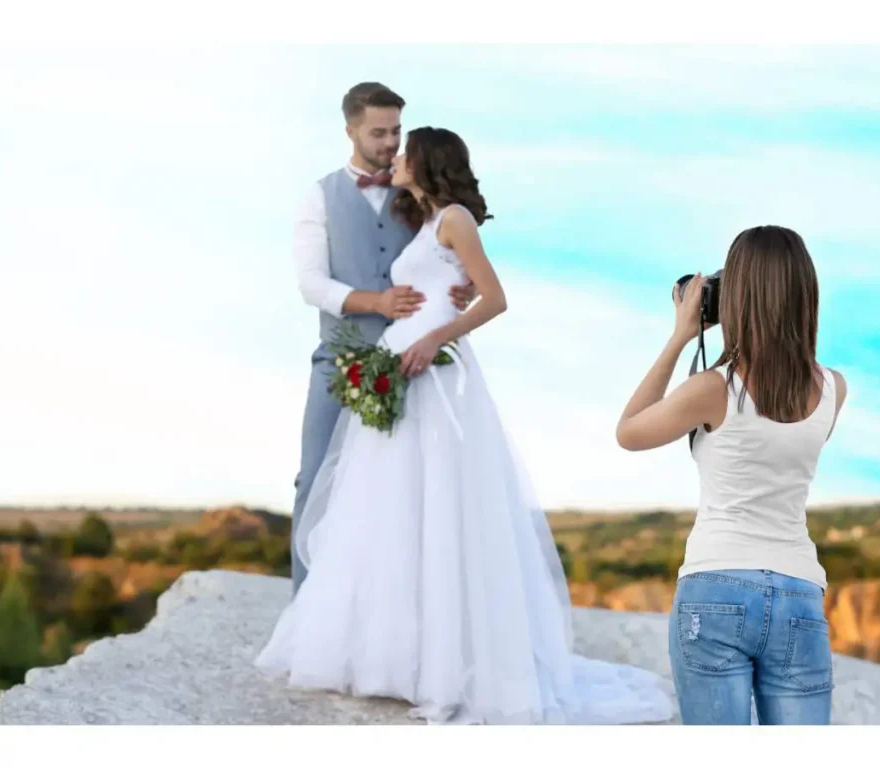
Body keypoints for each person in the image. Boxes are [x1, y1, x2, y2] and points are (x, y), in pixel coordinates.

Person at [256, 126, 673, 726]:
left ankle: (443, 664)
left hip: (437, 374)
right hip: (401, 372)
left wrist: (433, 336)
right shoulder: (426, 219)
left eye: (406, 151)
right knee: (390, 512)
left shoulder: (453, 218)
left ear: (425, 161)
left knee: (440, 507)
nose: (396, 157)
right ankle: (391, 656)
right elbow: (458, 281)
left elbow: (496, 297)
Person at [616, 225, 848, 725]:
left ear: (736, 298)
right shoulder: (833, 390)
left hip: (714, 585)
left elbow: (629, 431)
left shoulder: (712, 390)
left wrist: (681, 334)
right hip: (798, 593)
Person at [289, 82, 474, 594]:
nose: (391, 143)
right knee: (314, 480)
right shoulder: (319, 195)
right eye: (379, 132)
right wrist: (377, 303)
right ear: (350, 129)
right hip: (339, 360)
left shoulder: (415, 191)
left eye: (396, 131)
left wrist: (464, 286)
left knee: (404, 493)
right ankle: (306, 608)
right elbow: (310, 283)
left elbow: (458, 249)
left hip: (409, 364)